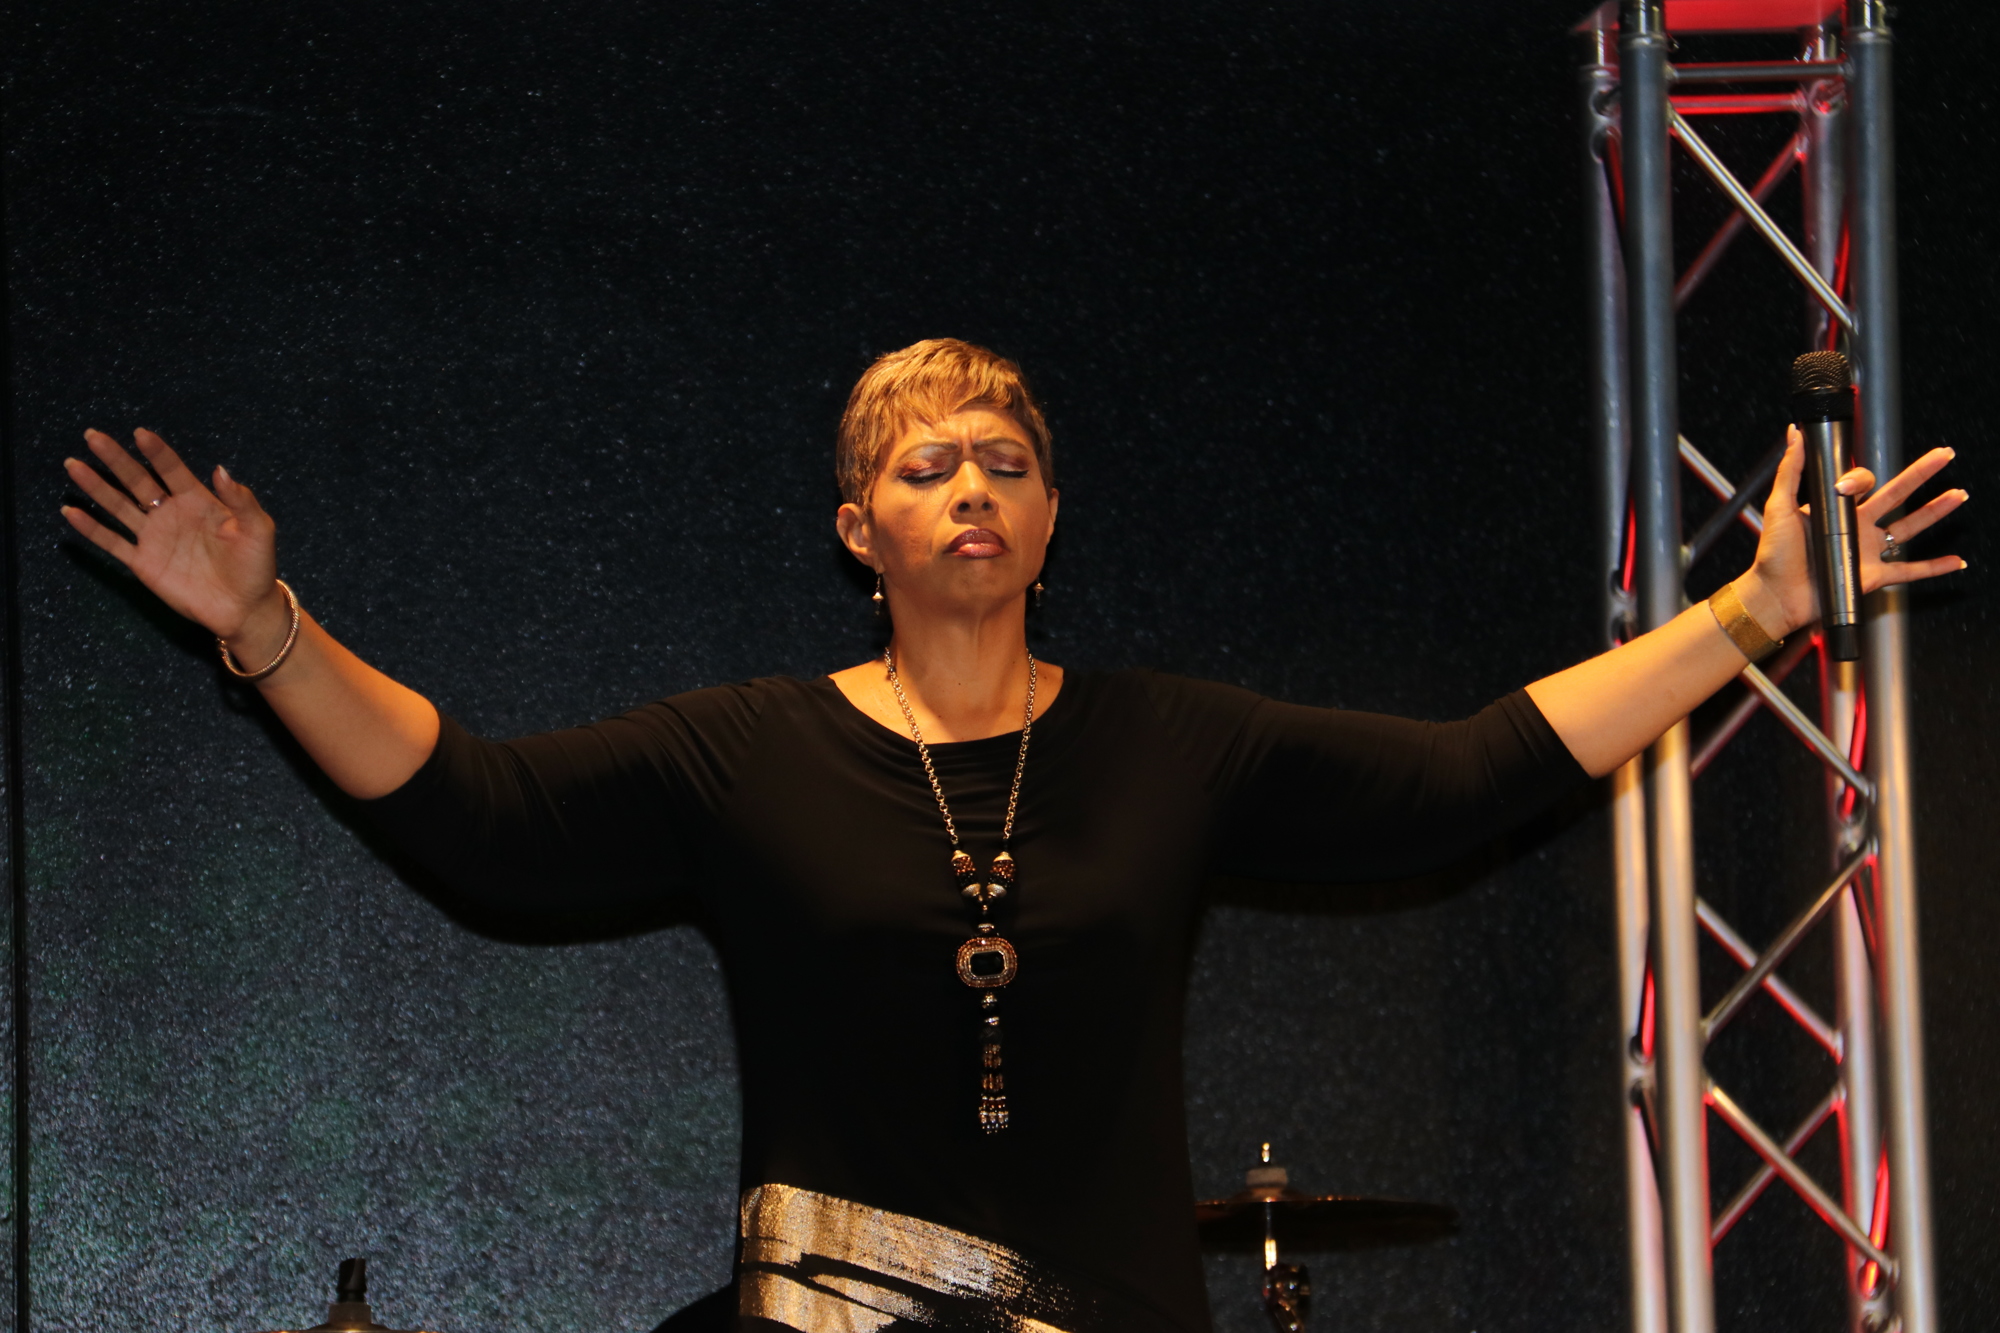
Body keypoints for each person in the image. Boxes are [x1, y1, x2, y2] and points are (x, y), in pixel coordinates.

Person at [60, 339, 1965, 1332]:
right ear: (855, 529)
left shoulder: (1171, 744)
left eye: (1006, 462)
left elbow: (1469, 772)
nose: (970, 484)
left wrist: (1753, 615)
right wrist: (267, 631)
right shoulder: (748, 752)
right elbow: (479, 812)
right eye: (922, 464)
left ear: (1050, 520)